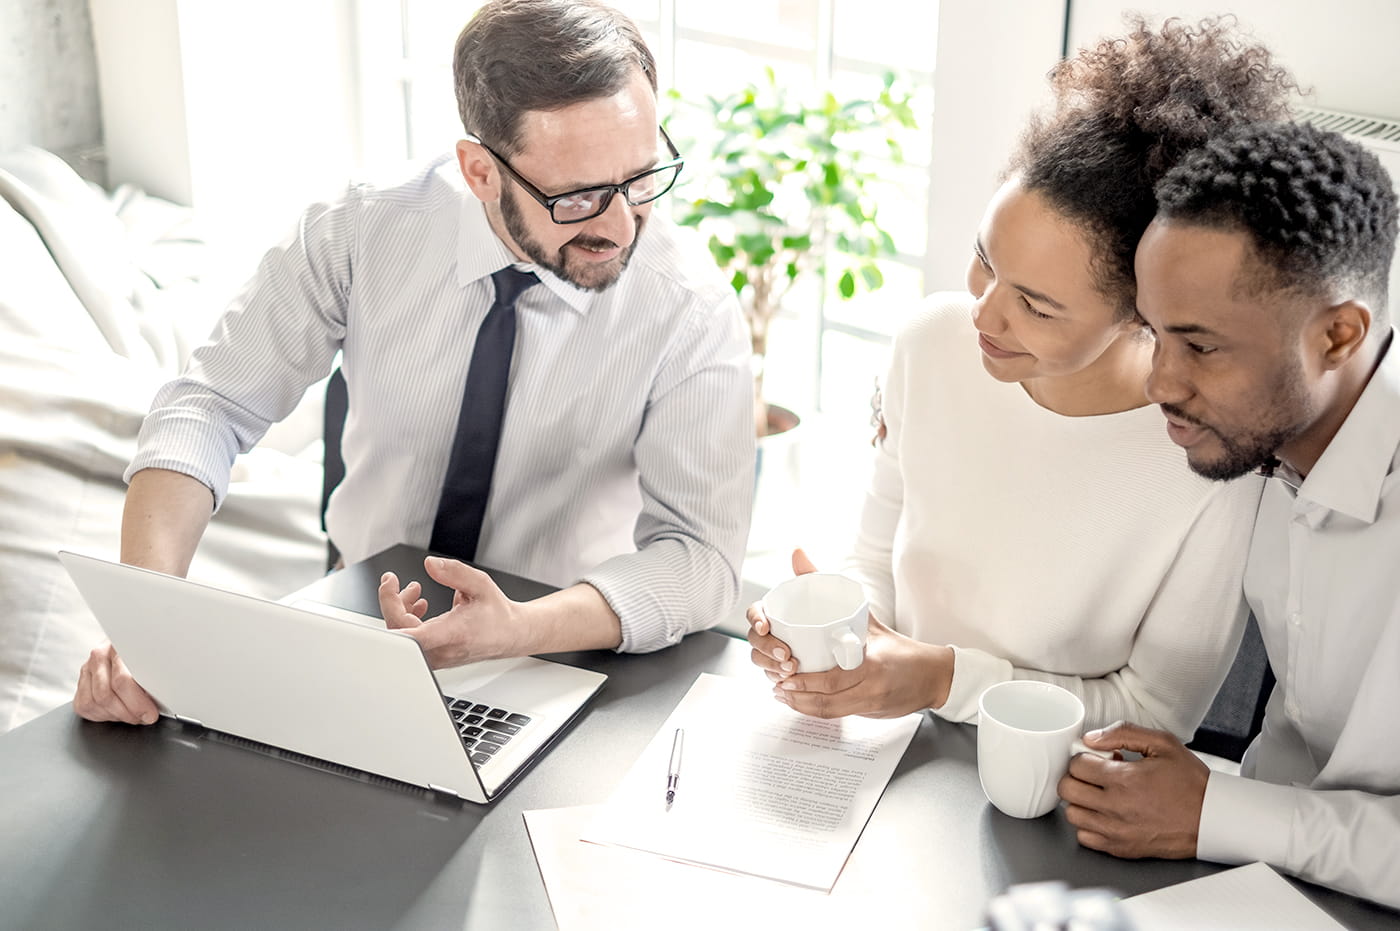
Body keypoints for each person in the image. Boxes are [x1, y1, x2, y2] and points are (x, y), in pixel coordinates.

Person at [73, 0, 754, 725]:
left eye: (643, 179)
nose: (620, 226)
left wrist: (521, 627)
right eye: (579, 196)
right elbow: (209, 406)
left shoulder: (689, 309)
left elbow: (699, 557)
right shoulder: (364, 231)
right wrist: (145, 622)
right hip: (357, 622)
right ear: (479, 170)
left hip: (569, 652)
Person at [747, 18, 1297, 736]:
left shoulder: (1209, 455)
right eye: (985, 259)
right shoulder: (931, 343)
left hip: (1054, 802)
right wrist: (831, 630)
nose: (984, 314)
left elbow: (1157, 715)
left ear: (1146, 313)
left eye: (1035, 305)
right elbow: (874, 559)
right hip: (893, 753)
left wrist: (942, 678)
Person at [1059, 121, 1400, 909]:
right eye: (1154, 331)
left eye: (1201, 346)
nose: (1161, 382)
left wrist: (1215, 811)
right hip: (1253, 881)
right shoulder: (1266, 438)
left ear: (1338, 335)